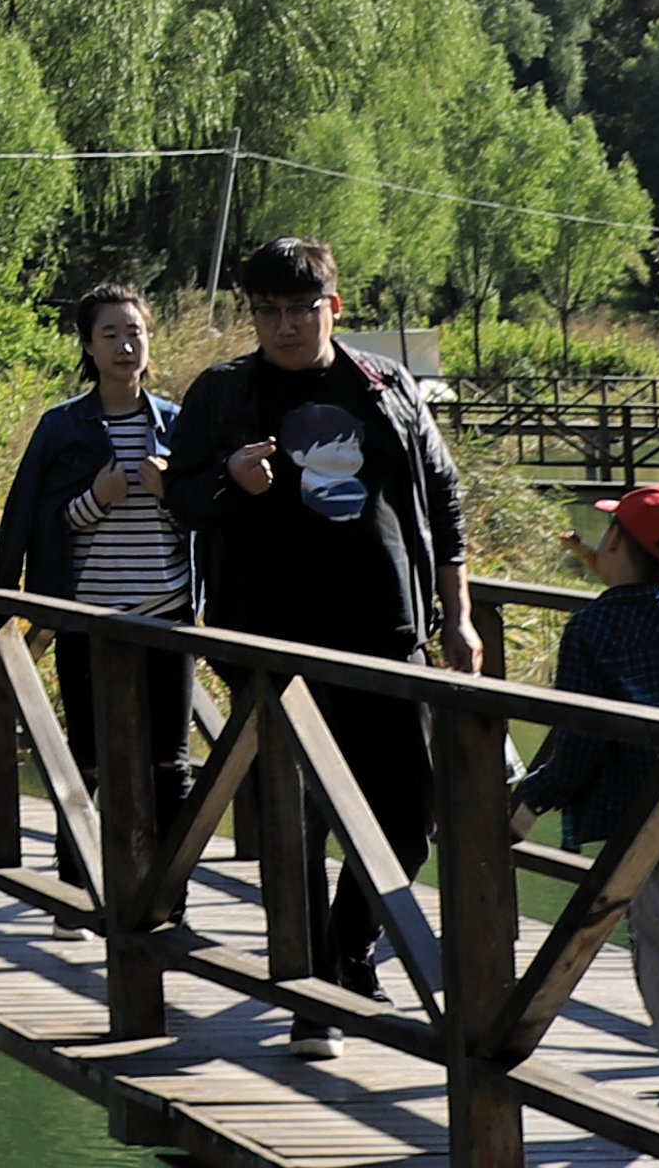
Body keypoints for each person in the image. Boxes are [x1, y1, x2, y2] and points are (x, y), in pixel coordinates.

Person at [162, 238, 475, 1060]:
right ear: (252, 314)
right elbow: (185, 497)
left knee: (410, 815)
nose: (286, 324)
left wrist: (460, 613)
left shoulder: (385, 385)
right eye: (268, 310)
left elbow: (442, 494)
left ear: (334, 307)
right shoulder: (226, 391)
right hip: (269, 641)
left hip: (384, 633)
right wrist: (235, 478)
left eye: (302, 308)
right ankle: (314, 997)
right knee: (295, 820)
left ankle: (346, 948)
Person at [513, 487, 659, 1093]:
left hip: (642, 818)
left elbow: (578, 740)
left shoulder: (593, 626)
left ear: (616, 545)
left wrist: (535, 796)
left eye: (607, 533)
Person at [0, 281, 190, 881]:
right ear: (88, 344)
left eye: (134, 332)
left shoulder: (177, 424)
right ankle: (75, 881)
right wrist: (97, 498)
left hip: (167, 610)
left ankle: (168, 892)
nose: (125, 345)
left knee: (171, 764)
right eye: (110, 334)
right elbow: (38, 517)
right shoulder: (63, 428)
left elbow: (201, 519)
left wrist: (170, 495)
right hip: (90, 614)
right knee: (85, 757)